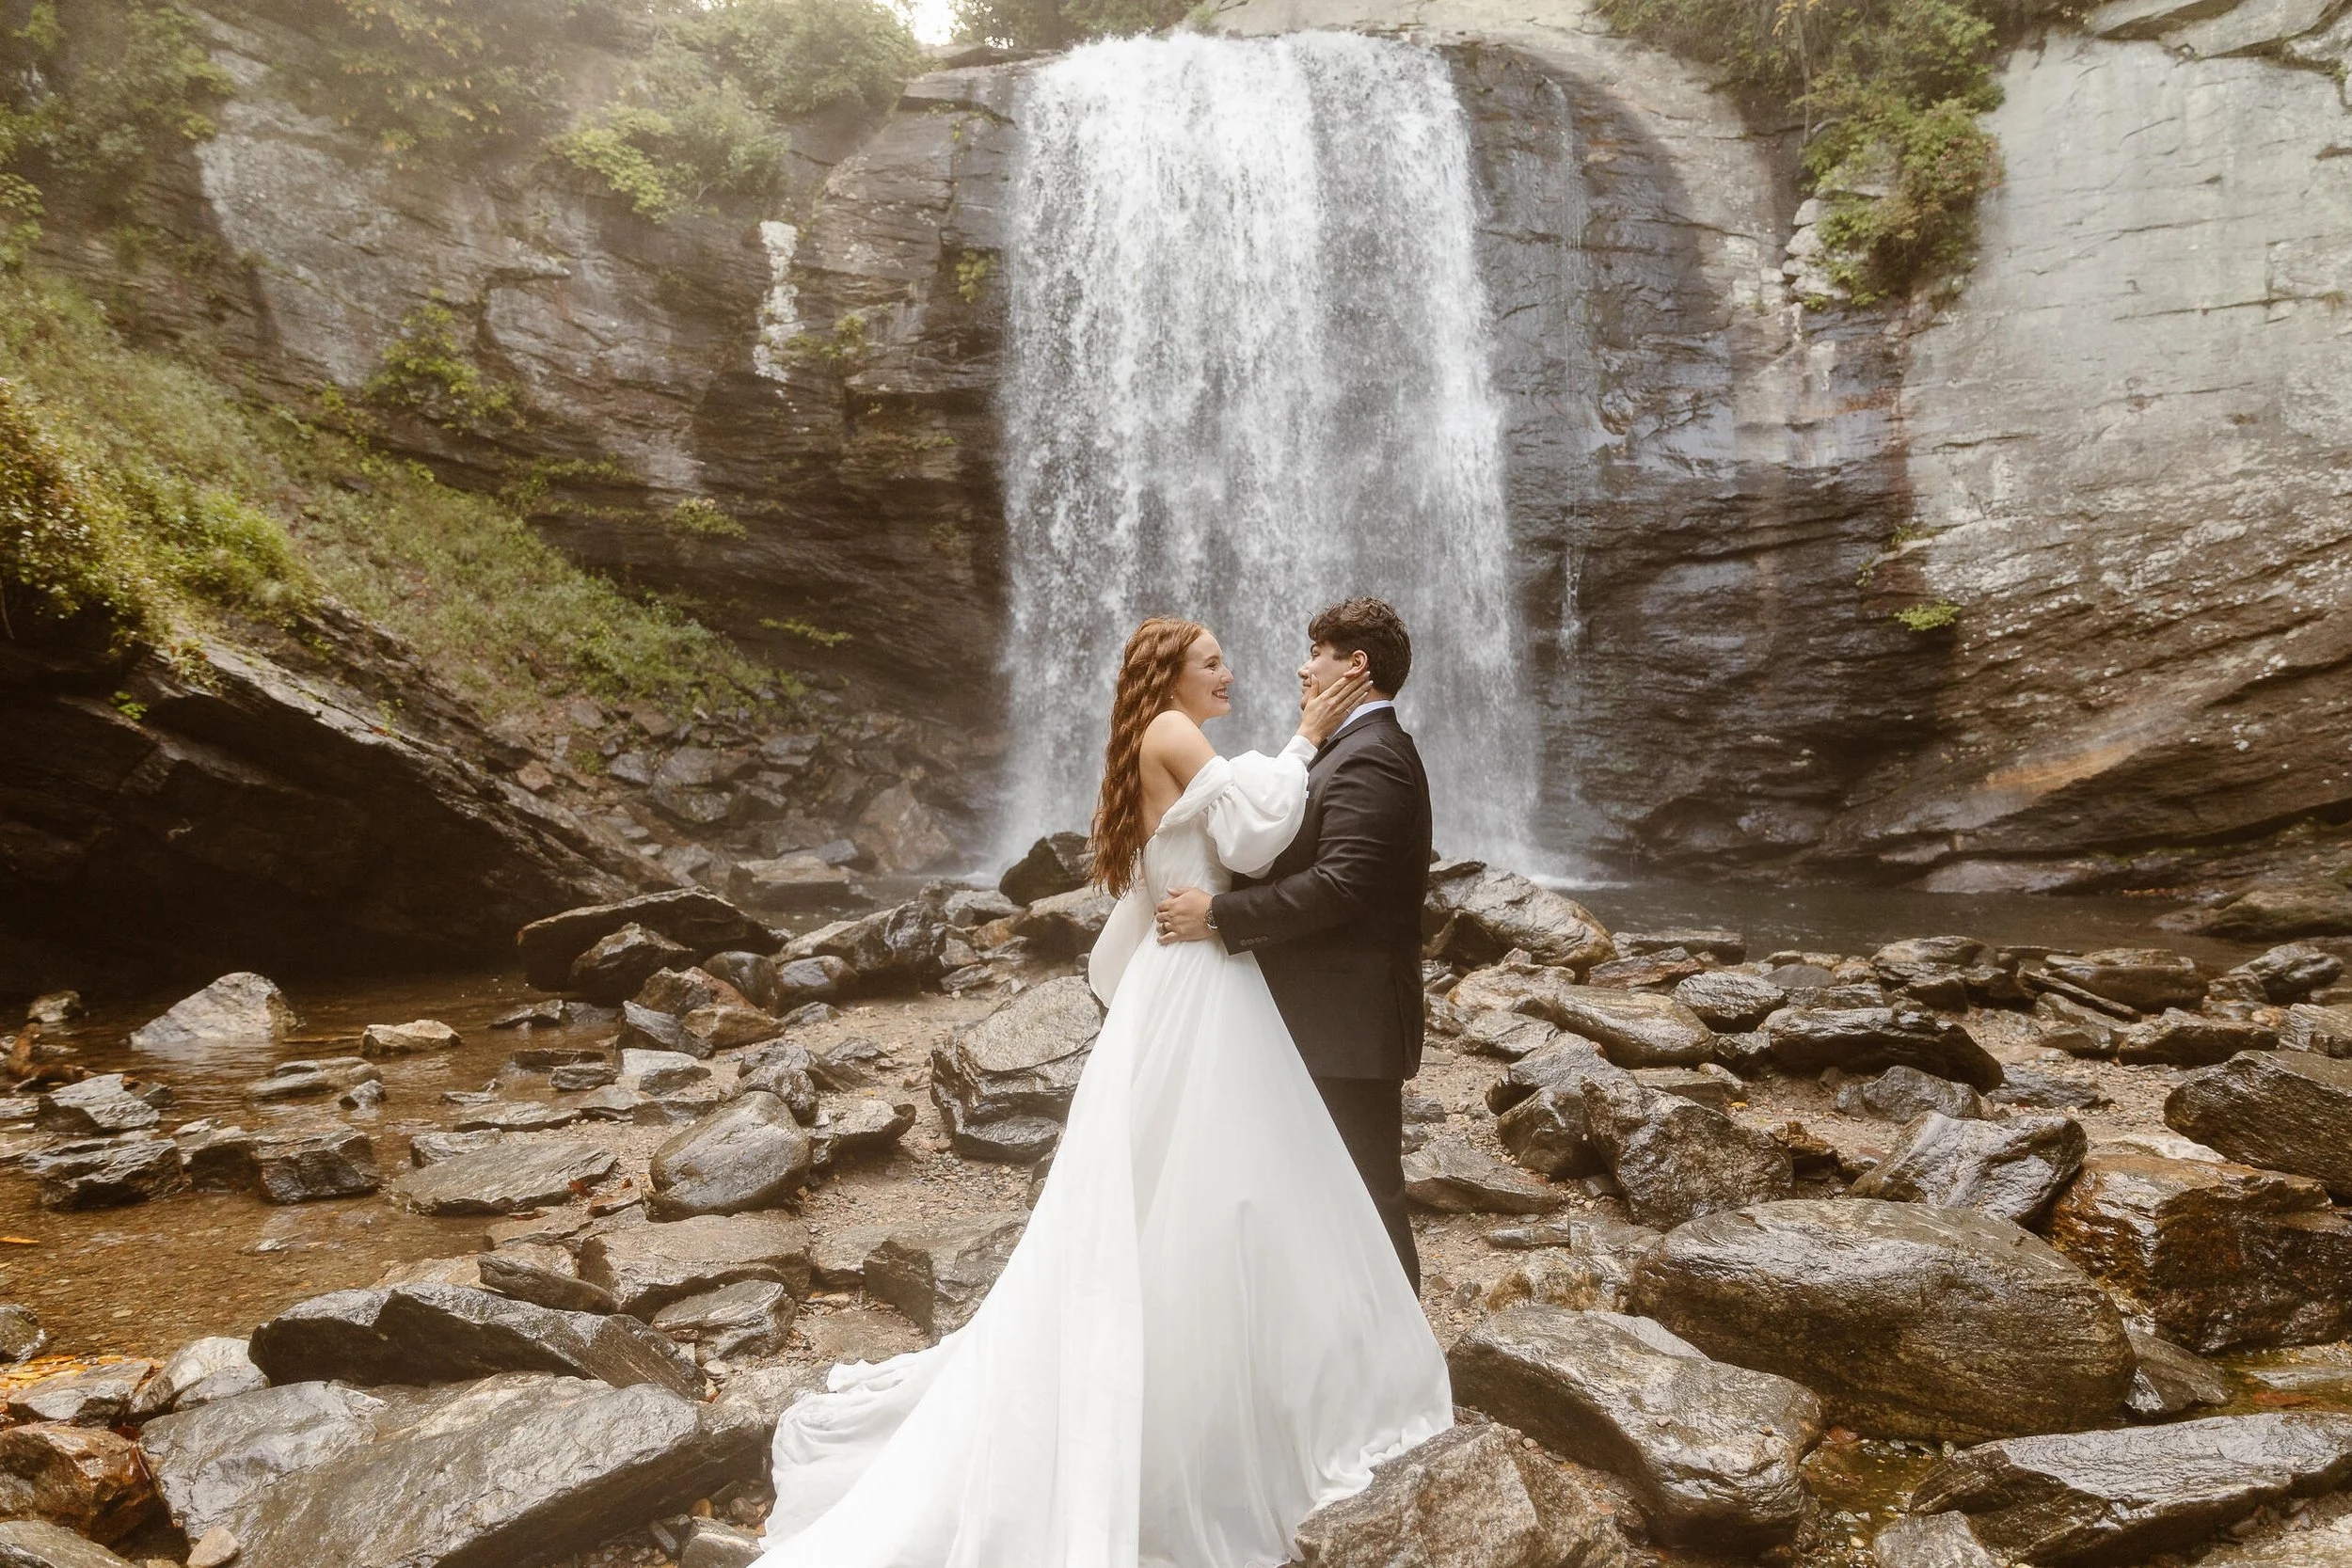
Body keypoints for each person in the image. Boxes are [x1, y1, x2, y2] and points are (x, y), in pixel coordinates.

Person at [753, 616, 1452, 1568]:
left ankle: (1270, 1370)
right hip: (1209, 987)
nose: (1247, 668)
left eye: (1295, 658)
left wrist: (1233, 879)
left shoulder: (1230, 742)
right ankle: (1244, 1383)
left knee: (1233, 1183)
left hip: (1219, 983)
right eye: (1214, 659)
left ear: (1352, 665)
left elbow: (1278, 859)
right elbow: (1251, 833)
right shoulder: (1179, 733)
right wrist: (1292, 748)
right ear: (1171, 675)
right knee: (1225, 1182)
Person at [1153, 597, 1431, 1287]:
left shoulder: (1375, 758)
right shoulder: (1348, 748)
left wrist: (1220, 913)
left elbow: (1340, 887)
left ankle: (1399, 1373)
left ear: (1355, 664)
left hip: (1348, 1025)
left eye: (1317, 654)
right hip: (1315, 1017)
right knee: (1315, 1201)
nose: (1301, 667)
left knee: (1367, 1197)